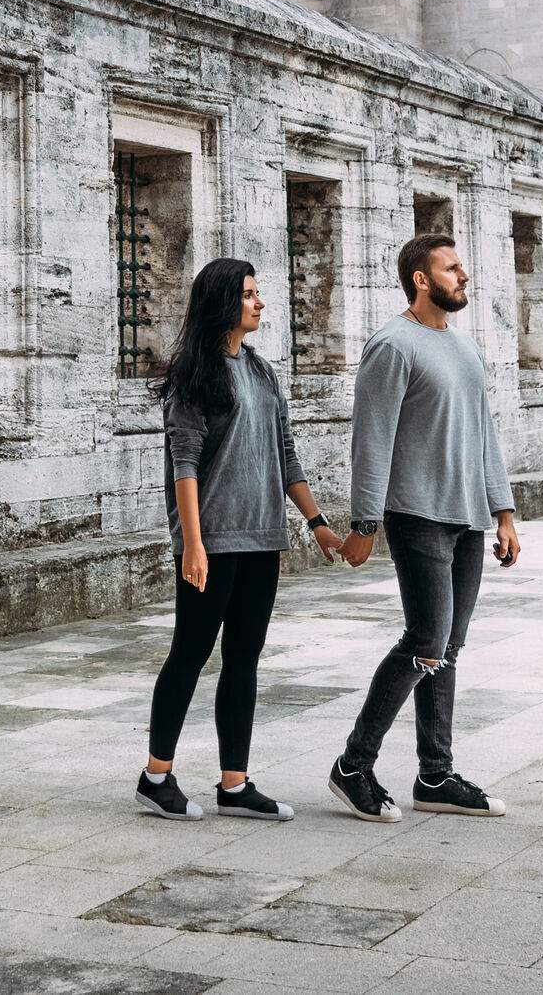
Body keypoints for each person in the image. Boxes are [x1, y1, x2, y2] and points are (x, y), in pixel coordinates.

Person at [137, 257, 348, 820]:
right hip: (214, 540)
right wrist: (193, 543)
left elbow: (286, 454)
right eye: (250, 295)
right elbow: (184, 463)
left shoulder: (260, 371)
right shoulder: (193, 375)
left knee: (244, 659)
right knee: (190, 653)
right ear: (223, 303)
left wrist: (316, 522)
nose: (260, 303)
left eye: (259, 294)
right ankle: (157, 775)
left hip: (262, 538)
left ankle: (234, 783)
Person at [327, 232, 520, 824]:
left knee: (449, 649)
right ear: (421, 278)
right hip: (415, 515)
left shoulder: (463, 349)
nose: (464, 276)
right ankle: (353, 767)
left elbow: (483, 434)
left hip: (466, 520)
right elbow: (372, 439)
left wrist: (504, 511)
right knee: (426, 642)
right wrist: (365, 521)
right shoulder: (391, 346)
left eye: (461, 267)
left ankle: (435, 776)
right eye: (452, 268)